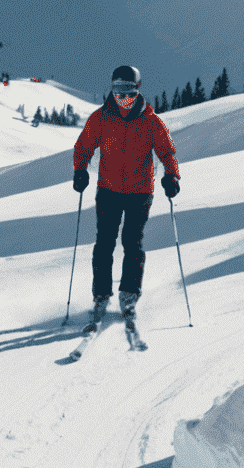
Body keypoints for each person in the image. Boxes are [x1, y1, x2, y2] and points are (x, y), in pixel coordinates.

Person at [73, 65, 180, 324]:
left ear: (137, 90)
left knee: (133, 242)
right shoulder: (100, 118)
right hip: (108, 189)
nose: (124, 97)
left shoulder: (151, 121)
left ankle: (129, 293)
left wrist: (171, 175)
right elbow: (84, 146)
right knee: (104, 244)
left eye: (129, 91)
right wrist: (80, 170)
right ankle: (101, 294)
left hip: (140, 191)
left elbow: (167, 151)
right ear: (112, 89)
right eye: (119, 90)